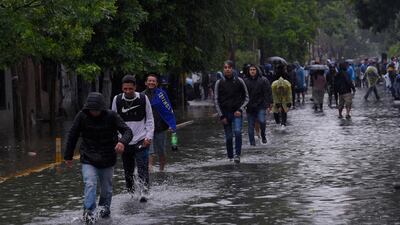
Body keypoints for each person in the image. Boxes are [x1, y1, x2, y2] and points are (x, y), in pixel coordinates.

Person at [64, 92, 133, 223]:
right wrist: (68, 156)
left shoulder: (112, 116)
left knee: (106, 188)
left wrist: (122, 142)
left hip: (108, 157)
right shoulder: (82, 116)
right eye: (92, 110)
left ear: (102, 108)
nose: (94, 113)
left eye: (96, 110)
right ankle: (89, 213)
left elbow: (128, 131)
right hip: (88, 157)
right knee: (90, 183)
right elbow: (72, 135)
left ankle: (104, 211)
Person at [111, 75, 154, 202]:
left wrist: (149, 137)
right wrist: (117, 140)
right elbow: (113, 120)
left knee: (142, 168)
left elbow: (150, 119)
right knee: (128, 171)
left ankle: (144, 193)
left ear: (135, 87)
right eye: (125, 89)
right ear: (122, 88)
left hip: (141, 139)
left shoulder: (143, 98)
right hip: (124, 141)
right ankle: (131, 194)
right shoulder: (117, 99)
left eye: (130, 88)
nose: (128, 91)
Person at [214, 60, 249, 163]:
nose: (227, 69)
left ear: (233, 69)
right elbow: (216, 100)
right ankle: (230, 157)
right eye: (225, 67)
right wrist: (221, 116)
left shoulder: (239, 81)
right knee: (229, 137)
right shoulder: (219, 83)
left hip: (237, 113)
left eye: (229, 67)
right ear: (223, 69)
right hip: (225, 114)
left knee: (238, 132)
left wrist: (240, 109)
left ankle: (237, 155)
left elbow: (246, 98)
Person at [143, 73, 177, 172]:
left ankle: (162, 171)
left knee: (161, 151)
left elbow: (168, 110)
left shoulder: (162, 95)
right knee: (150, 151)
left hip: (161, 127)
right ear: (146, 82)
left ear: (157, 83)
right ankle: (150, 171)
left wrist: (171, 124)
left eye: (153, 81)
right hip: (147, 128)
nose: (151, 82)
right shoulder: (142, 95)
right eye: (149, 81)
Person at [244, 64, 272, 146]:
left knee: (262, 121)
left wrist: (269, 104)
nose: (252, 71)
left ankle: (263, 135)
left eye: (254, 69)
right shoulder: (245, 81)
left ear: (257, 70)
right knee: (250, 127)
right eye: (251, 70)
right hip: (249, 107)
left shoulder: (263, 80)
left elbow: (268, 92)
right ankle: (252, 144)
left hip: (261, 106)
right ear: (248, 71)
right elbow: (242, 93)